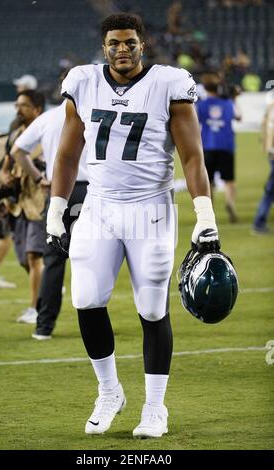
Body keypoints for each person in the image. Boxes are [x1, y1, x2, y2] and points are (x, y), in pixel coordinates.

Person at [46, 13, 220, 439]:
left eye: (129, 42)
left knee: (152, 309)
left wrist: (206, 215)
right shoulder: (83, 81)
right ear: (103, 47)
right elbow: (68, 155)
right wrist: (55, 208)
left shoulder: (168, 83)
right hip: (100, 208)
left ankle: (155, 407)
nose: (121, 49)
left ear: (143, 44)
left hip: (150, 209)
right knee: (86, 300)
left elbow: (192, 155)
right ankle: (110, 392)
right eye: (114, 43)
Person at [11, 99, 88, 338]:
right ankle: (93, 324)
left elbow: (18, 151)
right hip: (91, 191)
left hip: (57, 191)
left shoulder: (48, 118)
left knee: (53, 260)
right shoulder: (95, 111)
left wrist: (37, 178)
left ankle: (44, 326)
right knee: (91, 259)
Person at [3, 89, 47, 324]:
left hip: (39, 202)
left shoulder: (47, 133)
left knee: (33, 256)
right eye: (17, 105)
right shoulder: (15, 135)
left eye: (23, 105)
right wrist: (7, 178)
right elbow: (6, 166)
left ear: (37, 110)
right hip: (18, 204)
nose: (18, 109)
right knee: (23, 258)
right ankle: (48, 284)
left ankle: (36, 309)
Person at [197, 74, 241, 223]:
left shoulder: (201, 104)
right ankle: (230, 203)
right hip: (226, 145)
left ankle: (210, 210)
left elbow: (195, 120)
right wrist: (234, 99)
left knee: (208, 181)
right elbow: (239, 116)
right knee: (229, 180)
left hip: (207, 145)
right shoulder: (228, 103)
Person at [252, 102, 274, 234]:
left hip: (272, 152)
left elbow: (265, 123)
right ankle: (258, 222)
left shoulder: (271, 106)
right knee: (270, 191)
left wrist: (267, 146)